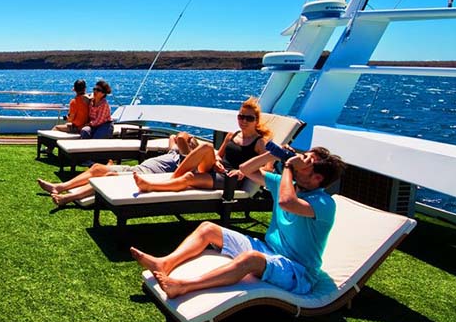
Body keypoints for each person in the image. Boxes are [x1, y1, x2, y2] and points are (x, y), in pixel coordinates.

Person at [130, 145, 346, 298]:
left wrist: (289, 167)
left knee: (251, 258)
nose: (300, 160)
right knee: (208, 228)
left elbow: (286, 202)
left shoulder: (323, 203)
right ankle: (164, 263)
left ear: (318, 178)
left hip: (298, 271)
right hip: (269, 249)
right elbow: (245, 170)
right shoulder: (285, 182)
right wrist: (272, 154)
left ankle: (183, 286)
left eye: (307, 162)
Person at [133, 96, 271, 193]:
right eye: (241, 116)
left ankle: (152, 186)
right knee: (207, 147)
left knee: (189, 178)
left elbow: (268, 170)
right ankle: (173, 179)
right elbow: (219, 155)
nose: (244, 121)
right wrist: (217, 161)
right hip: (217, 170)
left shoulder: (260, 142)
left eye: (249, 118)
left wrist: (243, 171)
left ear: (256, 120)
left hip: (230, 179)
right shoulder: (232, 135)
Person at [38, 132, 198, 206]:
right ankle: (59, 187)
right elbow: (173, 138)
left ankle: (68, 198)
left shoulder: (185, 160)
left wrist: (190, 142)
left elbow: (181, 139)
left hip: (146, 176)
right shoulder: (174, 152)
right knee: (97, 168)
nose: (189, 142)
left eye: (192, 143)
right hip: (137, 167)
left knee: (110, 175)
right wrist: (188, 140)